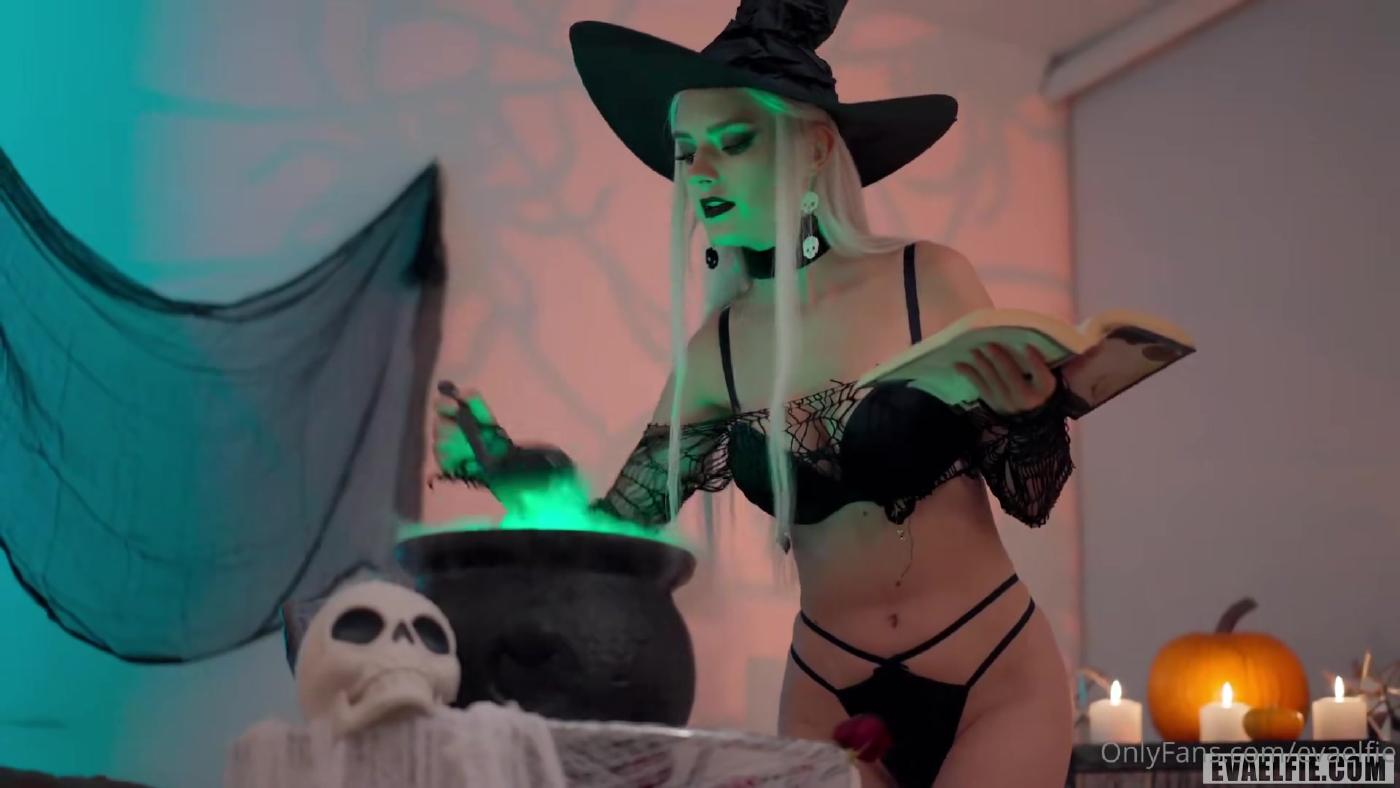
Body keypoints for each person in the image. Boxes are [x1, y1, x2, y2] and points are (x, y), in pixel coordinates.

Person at [438, 1, 1075, 785]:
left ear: (814, 148)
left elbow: (1030, 496)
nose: (701, 171)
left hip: (995, 674)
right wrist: (506, 469)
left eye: (732, 142)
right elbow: (619, 527)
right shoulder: (718, 352)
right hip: (826, 693)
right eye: (688, 152)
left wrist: (1030, 417)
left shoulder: (928, 279)